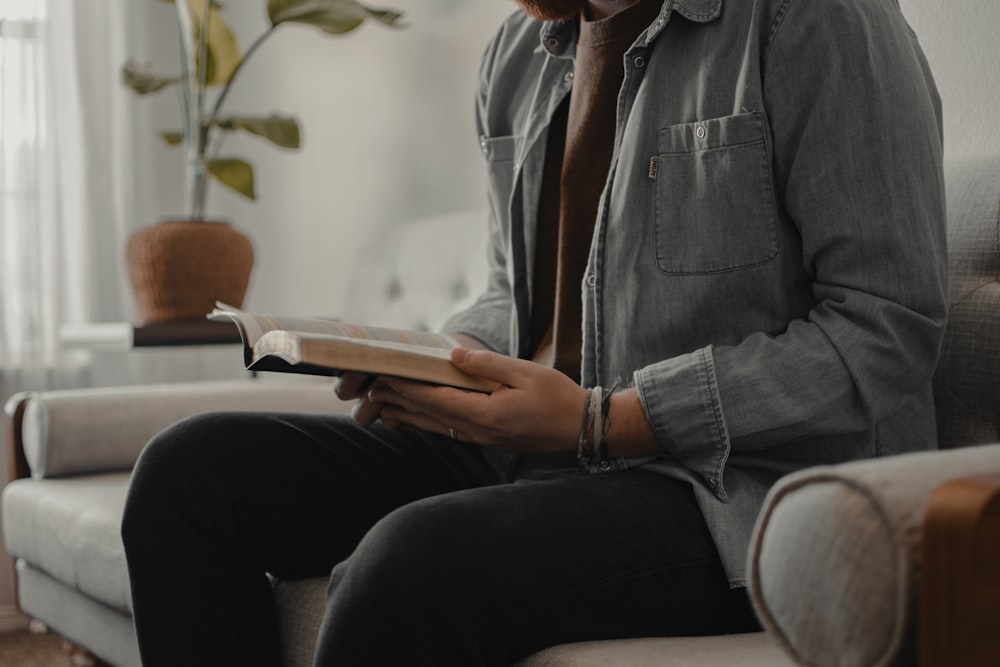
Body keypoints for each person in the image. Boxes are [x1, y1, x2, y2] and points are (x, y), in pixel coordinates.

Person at [121, 0, 948, 664]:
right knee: (187, 479)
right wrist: (439, 363)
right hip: (534, 450)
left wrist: (604, 418)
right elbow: (514, 295)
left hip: (736, 491)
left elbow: (885, 329)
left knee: (410, 565)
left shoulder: (817, 21)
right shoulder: (520, 53)